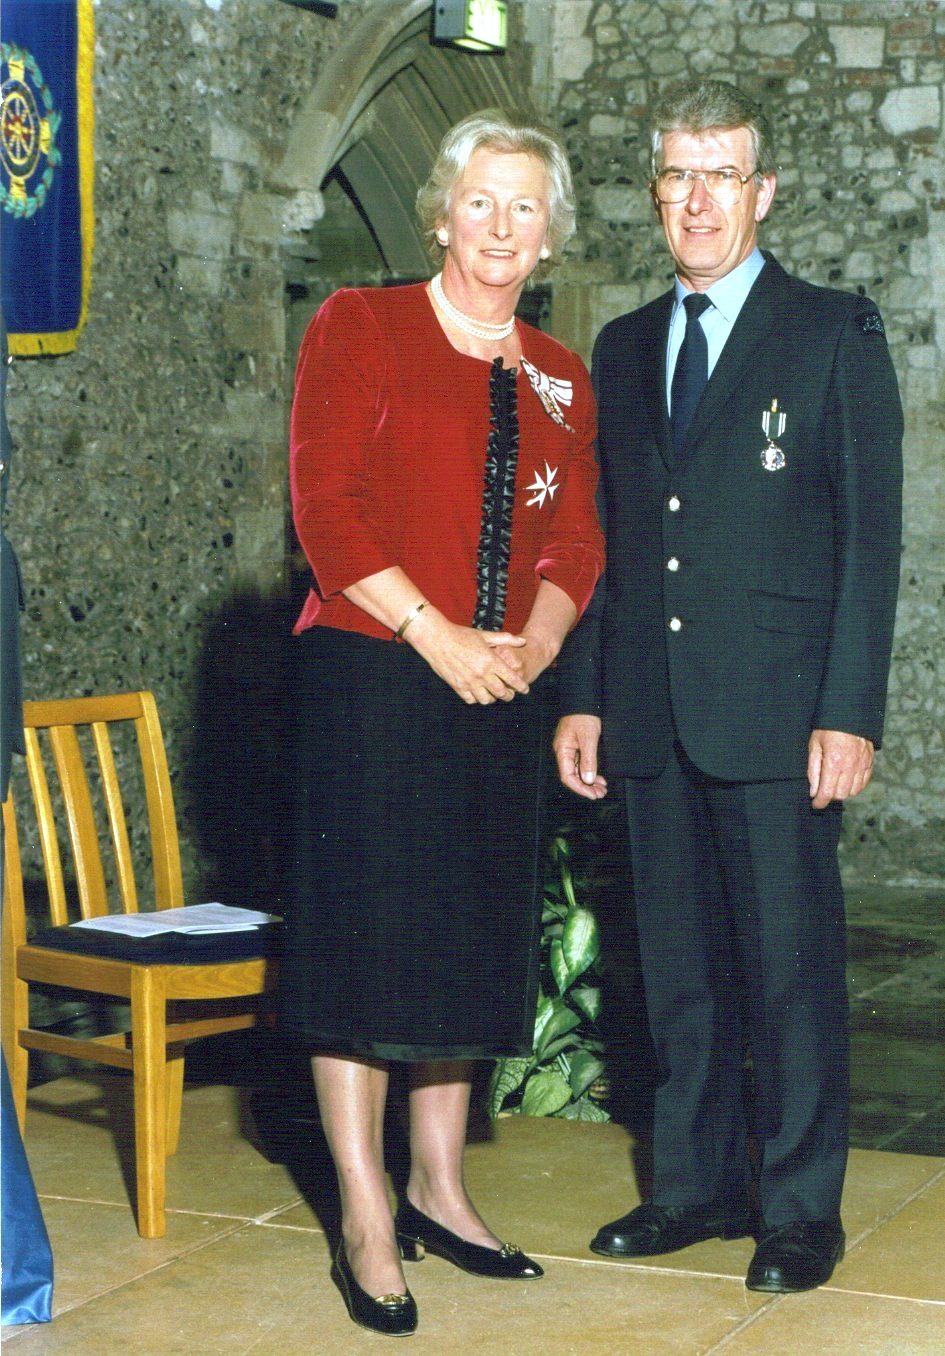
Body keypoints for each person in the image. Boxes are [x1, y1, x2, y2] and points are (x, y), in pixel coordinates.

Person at [554, 78, 902, 1295]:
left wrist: (849, 709)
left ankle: (800, 1210)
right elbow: (605, 539)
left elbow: (872, 538)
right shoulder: (624, 344)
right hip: (650, 707)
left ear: (763, 191)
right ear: (656, 192)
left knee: (789, 972)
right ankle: (693, 1189)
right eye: (677, 176)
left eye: (721, 175)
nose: (697, 200)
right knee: (680, 970)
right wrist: (587, 693)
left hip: (777, 712)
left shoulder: (832, 331)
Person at [280, 109, 604, 1336]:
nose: (502, 227)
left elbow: (578, 537)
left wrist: (539, 641)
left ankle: (441, 1186)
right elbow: (328, 510)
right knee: (364, 953)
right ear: (440, 210)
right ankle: (365, 1213)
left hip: (501, 692)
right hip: (374, 678)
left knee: (466, 944)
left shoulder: (564, 375)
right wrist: (439, 636)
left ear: (552, 231)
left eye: (527, 207)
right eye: (482, 200)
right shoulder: (359, 325)